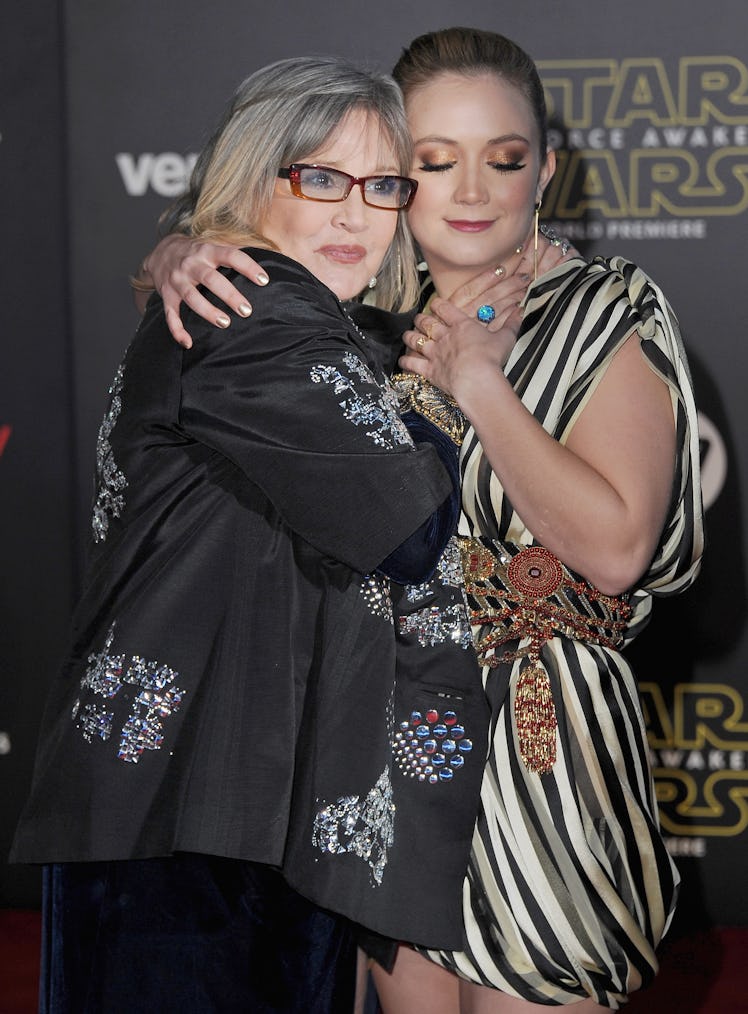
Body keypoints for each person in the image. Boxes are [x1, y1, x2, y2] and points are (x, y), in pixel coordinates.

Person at [135, 27, 704, 1014]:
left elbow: (614, 551)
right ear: (394, 179)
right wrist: (182, 247)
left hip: (541, 749)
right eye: (435, 163)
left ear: (548, 170)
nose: (473, 192)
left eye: (505, 159)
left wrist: (481, 387)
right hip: (386, 739)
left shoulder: (600, 308)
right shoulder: (356, 319)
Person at [10, 55, 479, 1014]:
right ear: (252, 175)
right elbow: (410, 521)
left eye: (382, 185)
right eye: (319, 177)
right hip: (183, 830)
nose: (356, 214)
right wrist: (440, 414)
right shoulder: (255, 306)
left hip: (229, 810)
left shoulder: (316, 324)